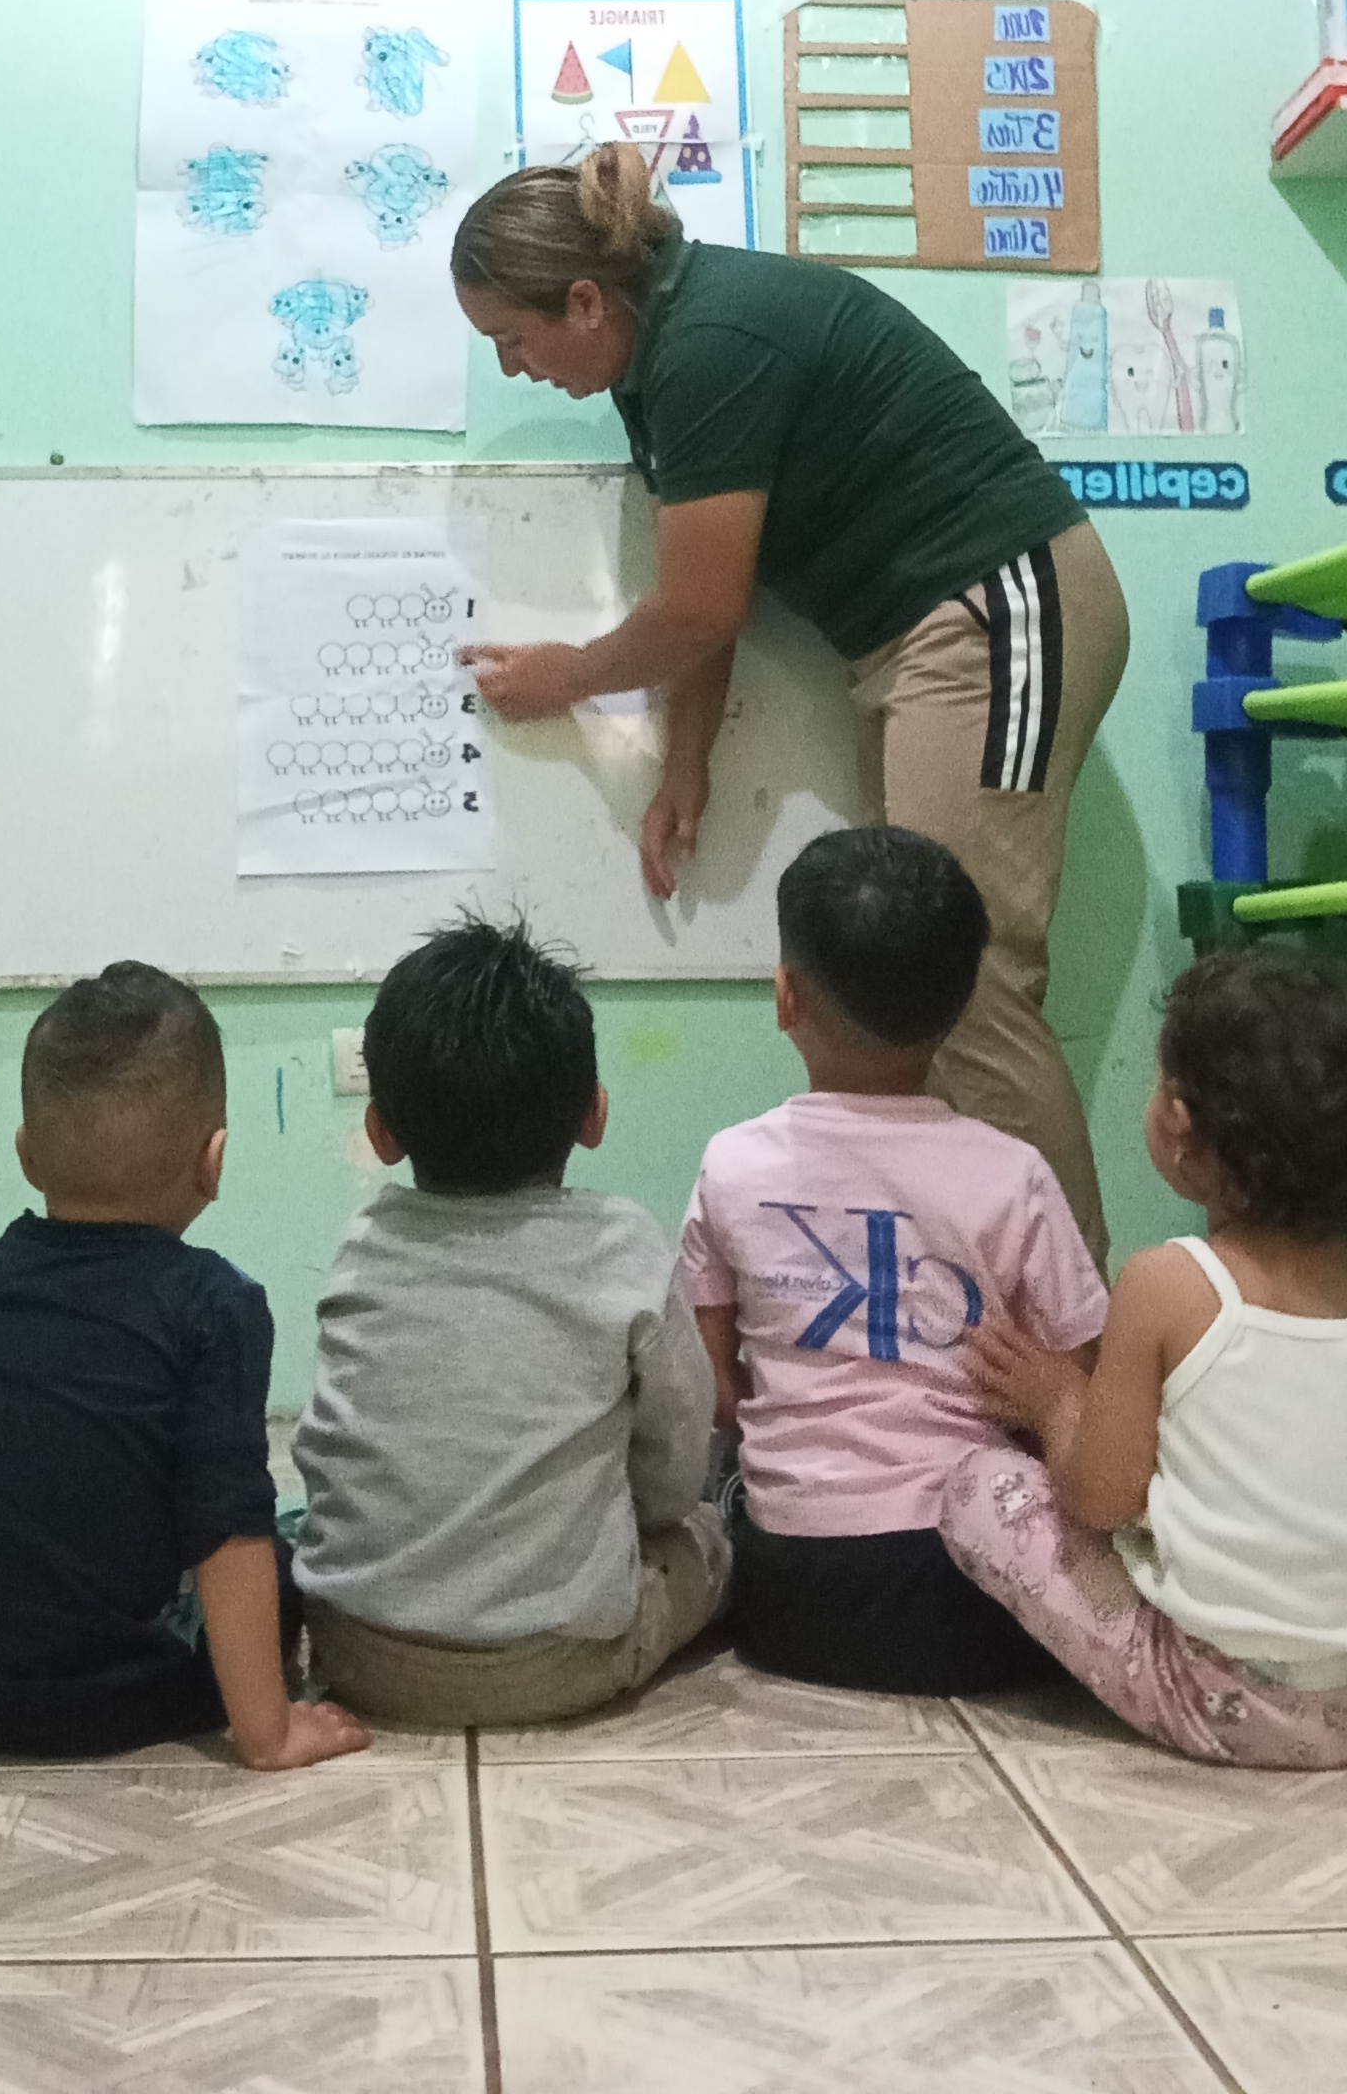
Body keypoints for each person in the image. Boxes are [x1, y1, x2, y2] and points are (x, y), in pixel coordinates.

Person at [451, 143, 1126, 1262]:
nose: (513, 369)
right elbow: (711, 591)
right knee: (909, 989)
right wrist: (686, 762)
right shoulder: (664, 361)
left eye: (511, 340)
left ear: (584, 302)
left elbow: (701, 607)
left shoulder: (711, 342)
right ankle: (983, 1298)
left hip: (998, 609)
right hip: (927, 633)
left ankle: (1072, 1325)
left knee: (963, 984)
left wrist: (568, 676)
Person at [944, 950, 1347, 1765]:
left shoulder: (1167, 1282)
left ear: (1180, 1127)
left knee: (979, 1487)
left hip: (1241, 1706)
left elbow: (1101, 1499)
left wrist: (1057, 1402)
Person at [0, 965, 367, 1771]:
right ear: (214, 1160)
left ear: (27, 1156)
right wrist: (269, 1732)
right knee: (277, 1557)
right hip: (95, 1702)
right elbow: (226, 1529)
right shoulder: (216, 1305)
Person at [681, 826, 1104, 1696]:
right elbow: (1080, 1385)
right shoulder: (1013, 1174)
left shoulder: (732, 1164)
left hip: (789, 1600)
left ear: (786, 997)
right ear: (961, 1008)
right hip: (979, 1603)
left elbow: (713, 1387)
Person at [292, 912, 724, 1725]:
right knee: (712, 1541)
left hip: (355, 1649)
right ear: (594, 1115)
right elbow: (674, 1459)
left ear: (380, 1134)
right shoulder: (624, 1245)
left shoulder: (365, 1241)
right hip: (555, 1663)